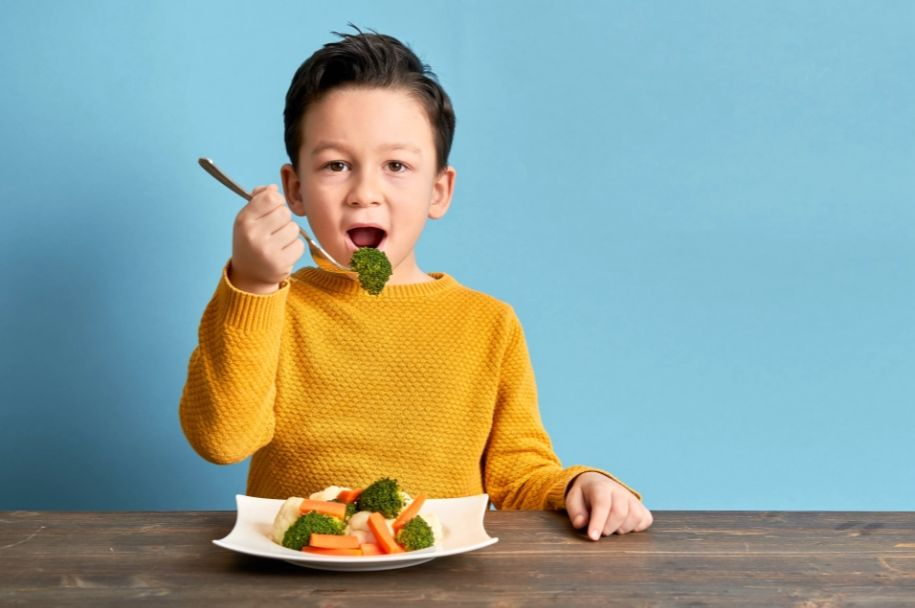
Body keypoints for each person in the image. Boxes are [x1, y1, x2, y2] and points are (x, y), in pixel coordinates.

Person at [179, 26, 652, 540]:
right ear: (295, 190)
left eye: (397, 166)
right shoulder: (270, 305)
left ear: (439, 191)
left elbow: (517, 476)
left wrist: (581, 483)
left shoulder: (488, 324)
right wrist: (251, 284)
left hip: (444, 582)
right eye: (336, 165)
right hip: (296, 578)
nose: (365, 192)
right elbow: (221, 439)